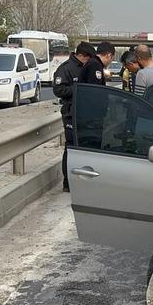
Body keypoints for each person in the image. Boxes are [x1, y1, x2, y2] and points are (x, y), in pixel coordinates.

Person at [53, 41, 96, 192]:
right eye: (88, 58)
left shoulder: (86, 67)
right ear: (82, 56)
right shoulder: (66, 69)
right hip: (71, 112)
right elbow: (58, 89)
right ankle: (67, 183)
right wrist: (78, 90)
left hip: (85, 113)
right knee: (71, 147)